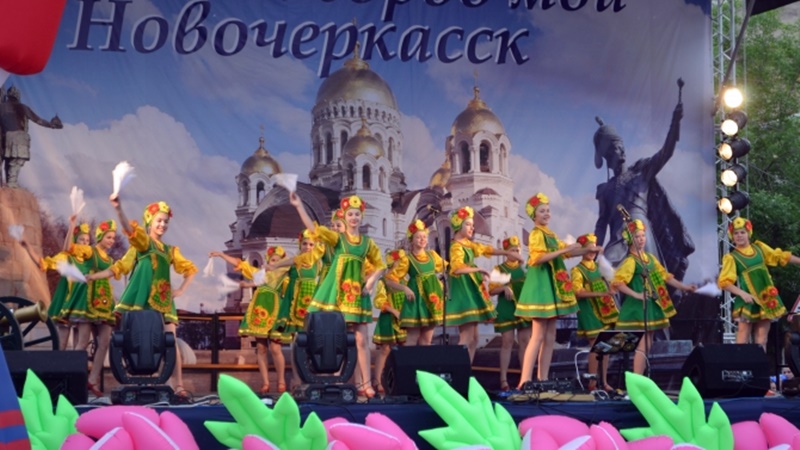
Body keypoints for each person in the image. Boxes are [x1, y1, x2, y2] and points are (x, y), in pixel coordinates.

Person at [87, 196, 197, 398]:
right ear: (149, 222)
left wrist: (180, 290)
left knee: (170, 341)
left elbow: (189, 270)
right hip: (141, 301)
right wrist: (119, 208)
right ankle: (142, 381)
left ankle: (178, 385)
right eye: (159, 221)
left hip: (163, 300)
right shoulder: (142, 245)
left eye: (165, 221)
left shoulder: (170, 250)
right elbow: (119, 266)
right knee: (140, 340)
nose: (162, 225)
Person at [592, 84, 694, 282]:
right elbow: (601, 224)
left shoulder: (641, 171)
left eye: (619, 147)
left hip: (640, 233)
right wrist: (593, 251)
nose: (618, 152)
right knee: (603, 273)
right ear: (606, 157)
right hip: (618, 238)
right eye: (612, 150)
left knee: (649, 279)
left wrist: (675, 123)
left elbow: (665, 153)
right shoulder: (605, 189)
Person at [290, 192, 385, 398]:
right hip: (339, 295)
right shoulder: (337, 239)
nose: (354, 218)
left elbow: (380, 265)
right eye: (350, 214)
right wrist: (299, 206)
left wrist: (370, 282)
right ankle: (337, 380)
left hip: (357, 295)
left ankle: (366, 383)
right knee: (338, 339)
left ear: (361, 217)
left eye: (357, 214)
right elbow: (314, 230)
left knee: (361, 340)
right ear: (344, 217)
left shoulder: (367, 243)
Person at [516, 194, 595, 386]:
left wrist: (587, 250)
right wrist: (564, 250)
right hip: (541, 285)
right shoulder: (536, 234)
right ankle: (524, 380)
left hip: (551, 286)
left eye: (548, 210)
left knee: (550, 336)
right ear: (534, 215)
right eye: (542, 211)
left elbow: (567, 252)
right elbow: (537, 259)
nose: (546, 214)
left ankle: (542, 378)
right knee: (537, 335)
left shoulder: (550, 234)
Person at [612, 219, 696, 375]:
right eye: (637, 236)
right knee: (642, 343)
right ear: (630, 240)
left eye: (643, 236)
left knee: (648, 342)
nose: (641, 239)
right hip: (637, 308)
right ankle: (637, 378)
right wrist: (637, 294)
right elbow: (618, 283)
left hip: (650, 305)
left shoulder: (650, 258)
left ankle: (640, 377)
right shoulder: (630, 261)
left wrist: (684, 287)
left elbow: (665, 277)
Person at [210, 246, 291, 395]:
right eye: (272, 260)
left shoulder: (283, 276)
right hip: (259, 311)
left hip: (275, 312)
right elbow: (240, 264)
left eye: (277, 261)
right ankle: (265, 382)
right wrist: (221, 255)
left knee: (275, 348)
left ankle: (281, 381)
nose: (273, 263)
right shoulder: (260, 274)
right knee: (261, 348)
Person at [447, 205, 522, 363]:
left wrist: (506, 252)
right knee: (466, 337)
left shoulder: (468, 244)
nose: (472, 228)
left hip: (471, 291)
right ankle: (458, 370)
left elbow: (487, 250)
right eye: (468, 224)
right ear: (458, 225)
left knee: (474, 338)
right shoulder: (456, 247)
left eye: (473, 225)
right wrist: (478, 269)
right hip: (463, 292)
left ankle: (467, 370)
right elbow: (457, 268)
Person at [717, 217, 800, 350]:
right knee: (742, 336)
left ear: (748, 233)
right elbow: (724, 282)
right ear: (732, 236)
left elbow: (780, 256)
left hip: (766, 298)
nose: (739, 236)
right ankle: (740, 363)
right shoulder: (732, 257)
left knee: (762, 339)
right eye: (736, 233)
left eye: (742, 232)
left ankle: (760, 363)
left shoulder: (759, 248)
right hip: (747, 300)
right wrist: (742, 294)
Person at [19, 216, 91, 351]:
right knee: (62, 343)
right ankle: (59, 363)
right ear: (75, 240)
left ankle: (76, 365)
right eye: (82, 239)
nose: (85, 243)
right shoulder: (66, 257)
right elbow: (43, 263)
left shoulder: (90, 260)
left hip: (83, 304)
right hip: (67, 302)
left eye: (87, 240)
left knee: (81, 345)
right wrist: (28, 247)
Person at [267, 229, 324, 391]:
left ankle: (313, 379)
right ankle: (297, 379)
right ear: (300, 244)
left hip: (310, 307)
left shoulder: (318, 263)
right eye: (305, 244)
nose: (307, 247)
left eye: (311, 244)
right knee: (297, 344)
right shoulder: (293, 263)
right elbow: (274, 277)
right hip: (294, 307)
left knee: (312, 344)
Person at [570, 233, 619, 391]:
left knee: (606, 345)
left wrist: (613, 287)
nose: (592, 252)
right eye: (588, 249)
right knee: (596, 345)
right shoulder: (577, 270)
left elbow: (614, 280)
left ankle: (604, 382)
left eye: (594, 249)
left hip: (605, 309)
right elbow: (578, 292)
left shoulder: (600, 267)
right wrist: (601, 293)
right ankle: (592, 382)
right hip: (588, 310)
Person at [385, 219, 445, 347]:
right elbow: (389, 280)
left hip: (432, 300)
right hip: (416, 301)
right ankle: (408, 361)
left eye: (424, 237)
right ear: (412, 240)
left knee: (427, 341)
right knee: (412, 339)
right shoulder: (408, 259)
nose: (422, 239)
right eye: (418, 237)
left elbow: (447, 269)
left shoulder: (433, 255)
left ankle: (423, 361)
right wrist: (405, 289)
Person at [488, 236, 531, 391]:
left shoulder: (525, 268)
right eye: (512, 250)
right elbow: (491, 290)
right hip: (507, 307)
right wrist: (504, 288)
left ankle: (525, 379)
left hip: (524, 308)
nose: (515, 253)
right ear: (506, 252)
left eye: (517, 250)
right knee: (507, 342)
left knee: (525, 343)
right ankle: (503, 380)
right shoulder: (500, 269)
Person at [0, 85, 62, 187]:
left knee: (10, 161)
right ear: (17, 96)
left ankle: (11, 183)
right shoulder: (23, 107)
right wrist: (51, 125)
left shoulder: (2, 107)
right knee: (16, 161)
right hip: (20, 138)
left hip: (7, 138)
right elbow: (38, 120)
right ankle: (12, 182)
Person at [371, 252, 405, 395]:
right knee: (385, 349)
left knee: (403, 348)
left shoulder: (405, 280)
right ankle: (377, 381)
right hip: (389, 317)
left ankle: (401, 380)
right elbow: (379, 301)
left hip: (404, 317)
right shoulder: (383, 281)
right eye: (399, 262)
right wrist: (394, 311)